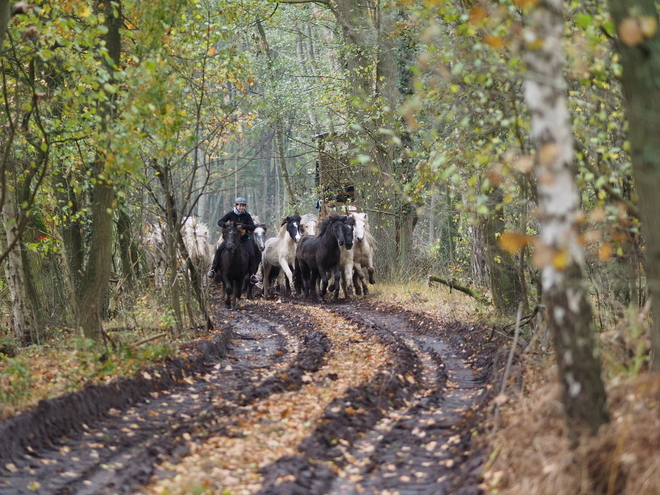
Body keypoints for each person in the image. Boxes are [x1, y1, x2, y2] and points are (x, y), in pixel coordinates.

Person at [208, 197, 259, 284]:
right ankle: (213, 269)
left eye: (243, 206)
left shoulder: (247, 215)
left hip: (244, 239)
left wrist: (243, 226)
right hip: (231, 238)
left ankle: (252, 275)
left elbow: (253, 227)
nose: (241, 207)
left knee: (252, 254)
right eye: (240, 205)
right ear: (236, 205)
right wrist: (226, 225)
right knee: (219, 250)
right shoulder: (231, 214)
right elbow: (220, 221)